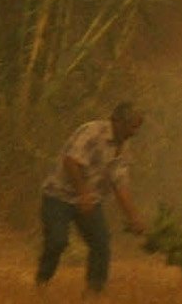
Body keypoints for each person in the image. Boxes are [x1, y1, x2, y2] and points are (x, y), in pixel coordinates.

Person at [37, 102, 147, 293]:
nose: (135, 132)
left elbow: (120, 184)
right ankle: (43, 280)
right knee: (57, 241)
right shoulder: (92, 132)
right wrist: (83, 193)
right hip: (58, 196)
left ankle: (95, 291)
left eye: (138, 127)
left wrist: (133, 217)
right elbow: (71, 161)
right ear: (118, 122)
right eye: (132, 126)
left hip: (90, 200)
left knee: (101, 242)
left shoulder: (123, 148)